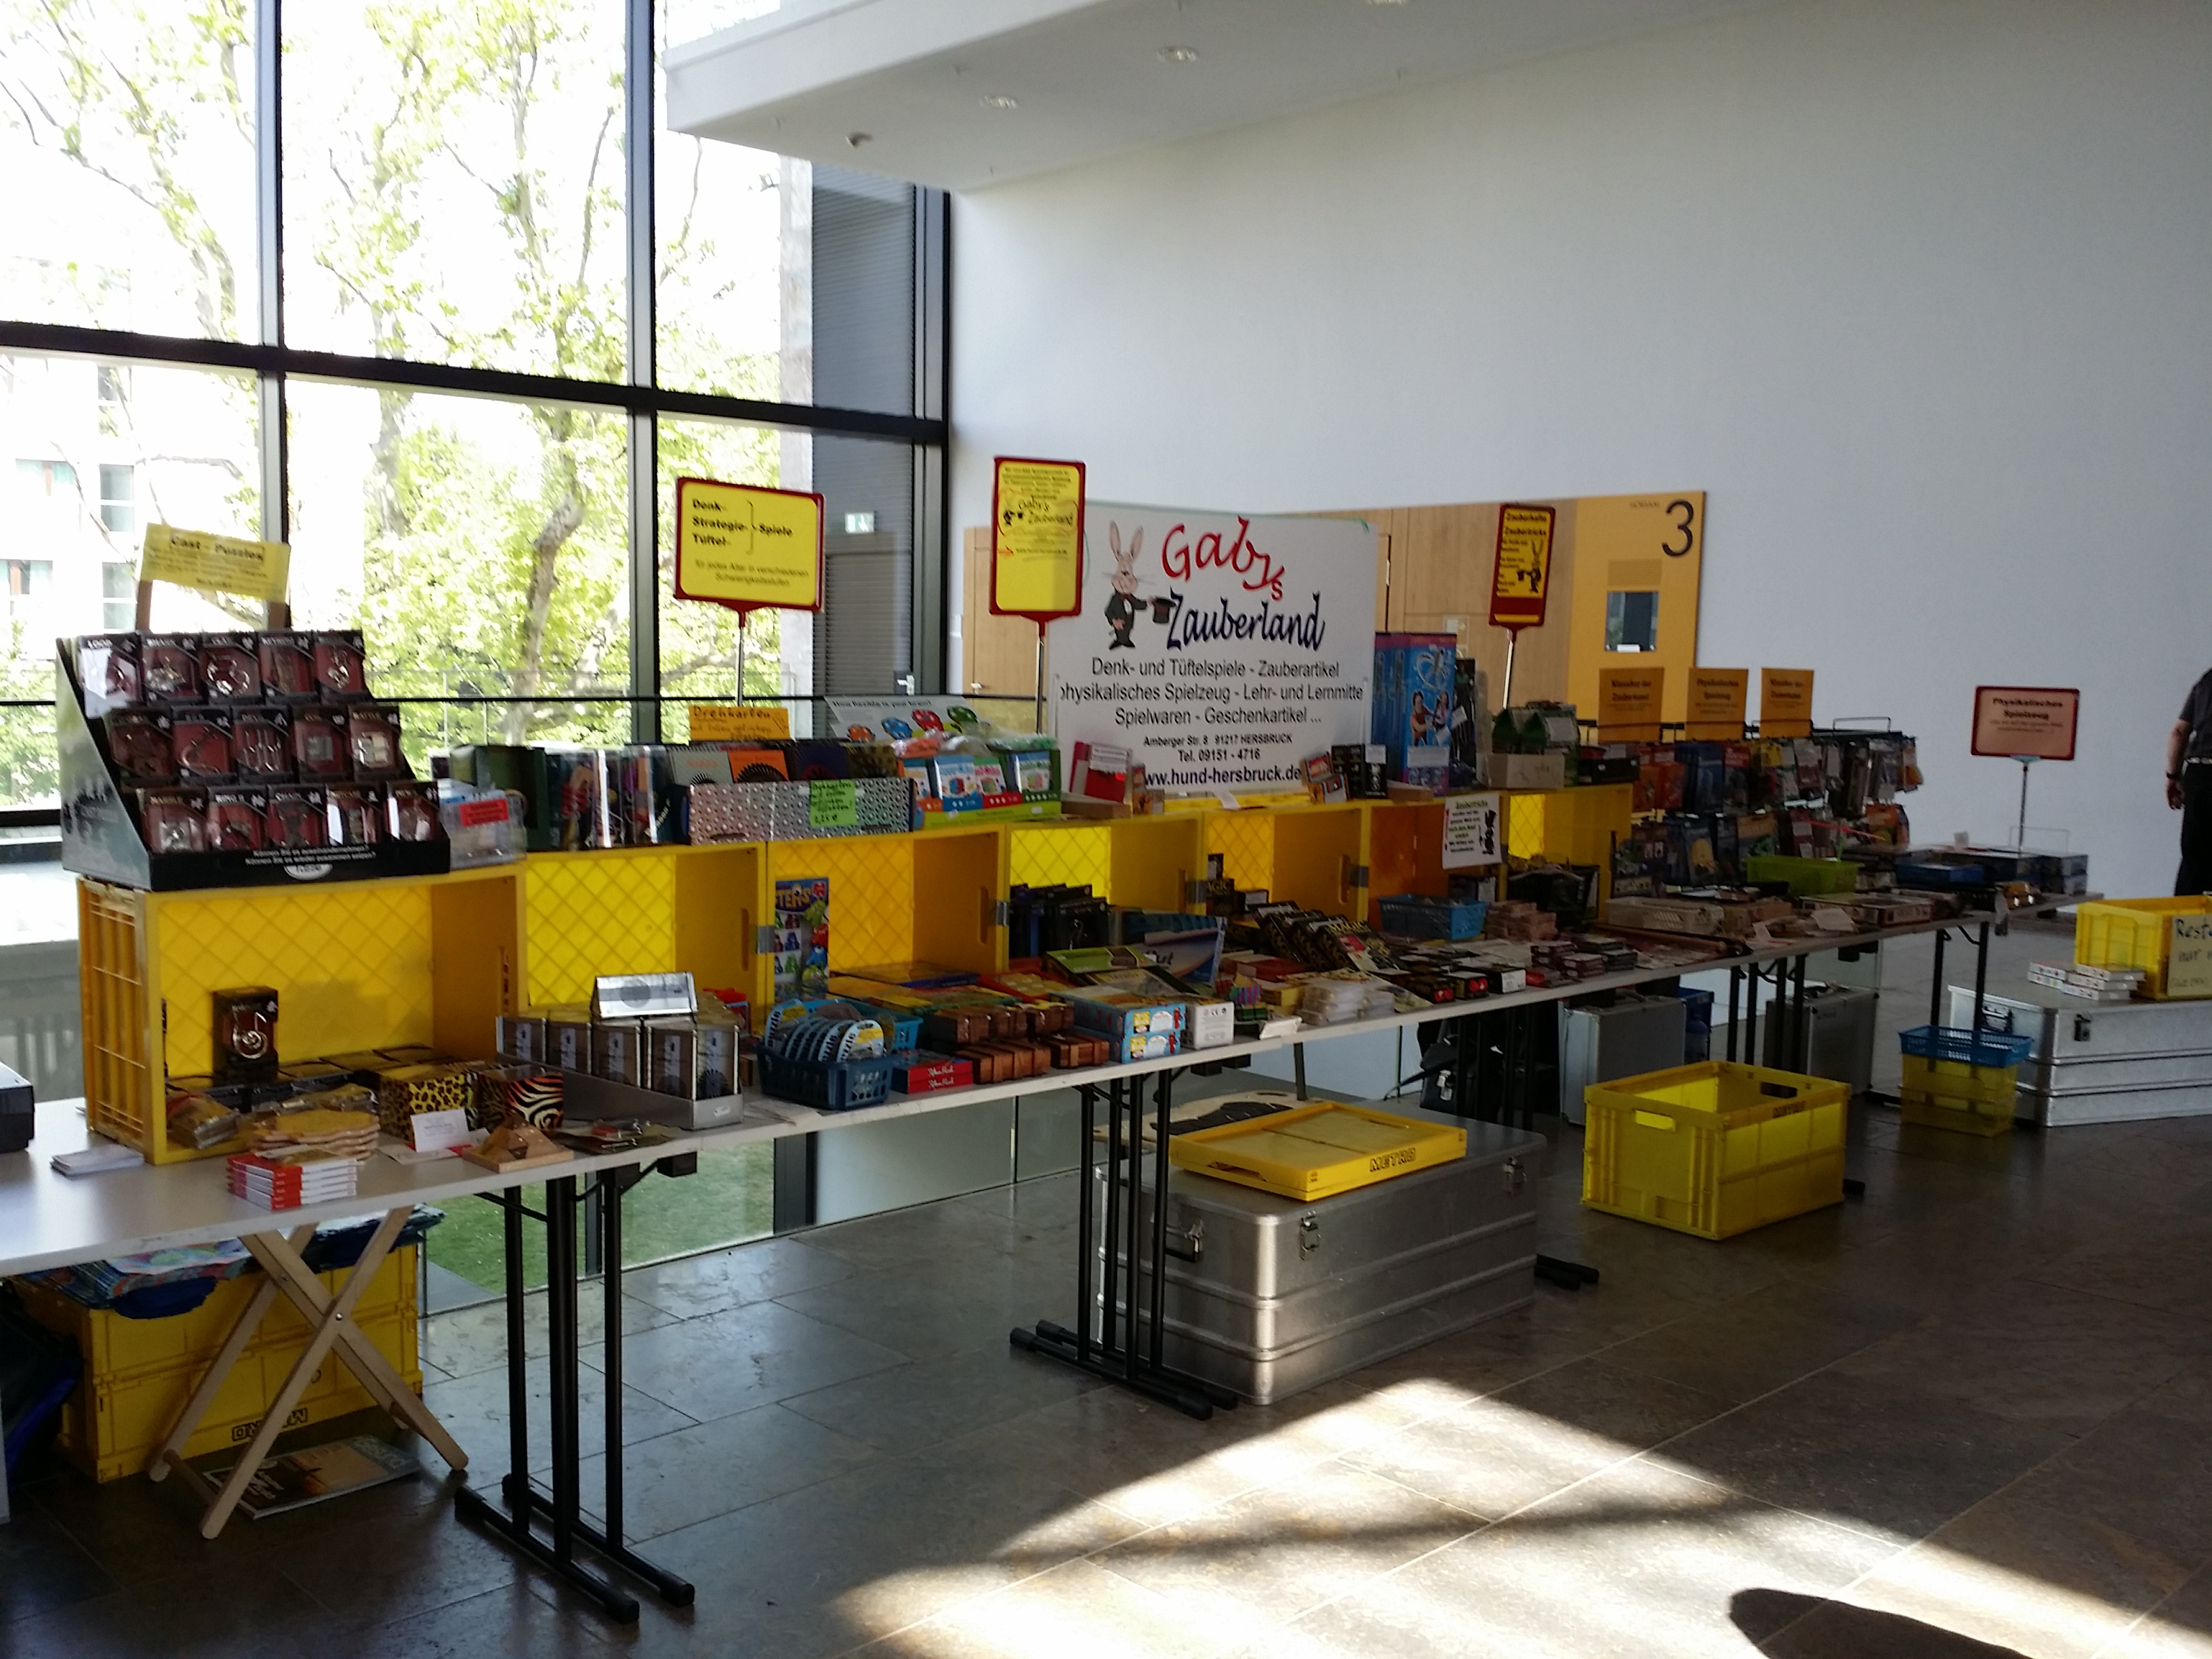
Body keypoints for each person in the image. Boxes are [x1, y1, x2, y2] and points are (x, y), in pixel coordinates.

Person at [2169, 667, 2212, 893]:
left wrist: (2173, 776)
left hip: (2199, 774)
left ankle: (2183, 913)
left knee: (2193, 858)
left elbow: (2179, 732)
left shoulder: (2207, 680)